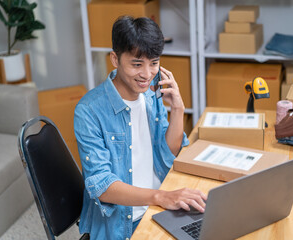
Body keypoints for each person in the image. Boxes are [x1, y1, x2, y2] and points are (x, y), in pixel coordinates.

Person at [74, 16, 207, 240]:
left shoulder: (151, 92)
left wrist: (178, 109)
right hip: (126, 221)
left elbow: (168, 152)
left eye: (154, 63)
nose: (147, 74)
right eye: (137, 64)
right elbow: (103, 186)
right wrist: (161, 197)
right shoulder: (88, 111)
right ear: (115, 59)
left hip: (161, 203)